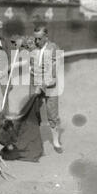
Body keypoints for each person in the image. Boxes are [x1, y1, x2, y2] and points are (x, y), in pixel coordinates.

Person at [31, 16, 63, 153]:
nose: (37, 41)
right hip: (36, 83)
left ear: (46, 36)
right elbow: (32, 65)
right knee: (34, 113)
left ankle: (56, 142)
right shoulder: (34, 47)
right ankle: (34, 140)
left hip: (50, 85)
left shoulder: (53, 47)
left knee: (52, 113)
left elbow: (54, 69)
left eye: (39, 38)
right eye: (35, 38)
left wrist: (42, 85)